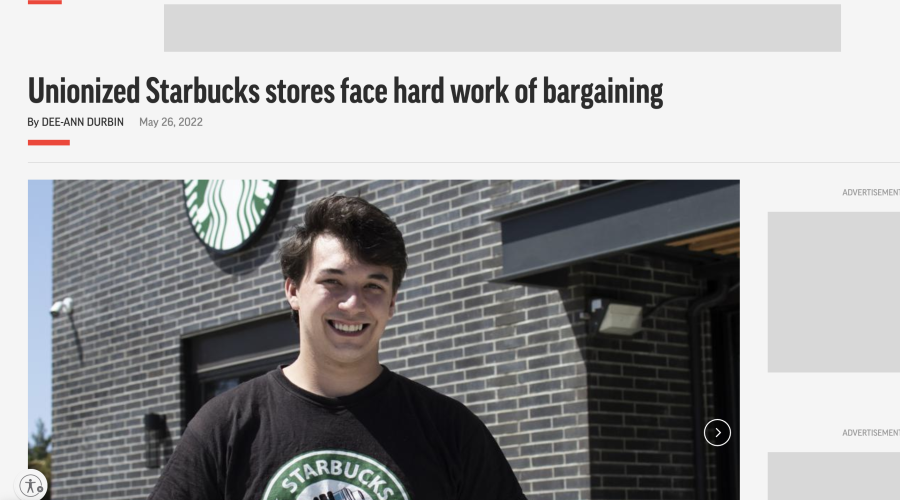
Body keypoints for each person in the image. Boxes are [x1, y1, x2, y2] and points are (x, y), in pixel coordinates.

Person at [148, 195, 526, 500]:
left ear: (392, 303)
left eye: (373, 286)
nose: (352, 304)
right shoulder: (225, 426)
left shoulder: (451, 431)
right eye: (333, 282)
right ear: (294, 291)